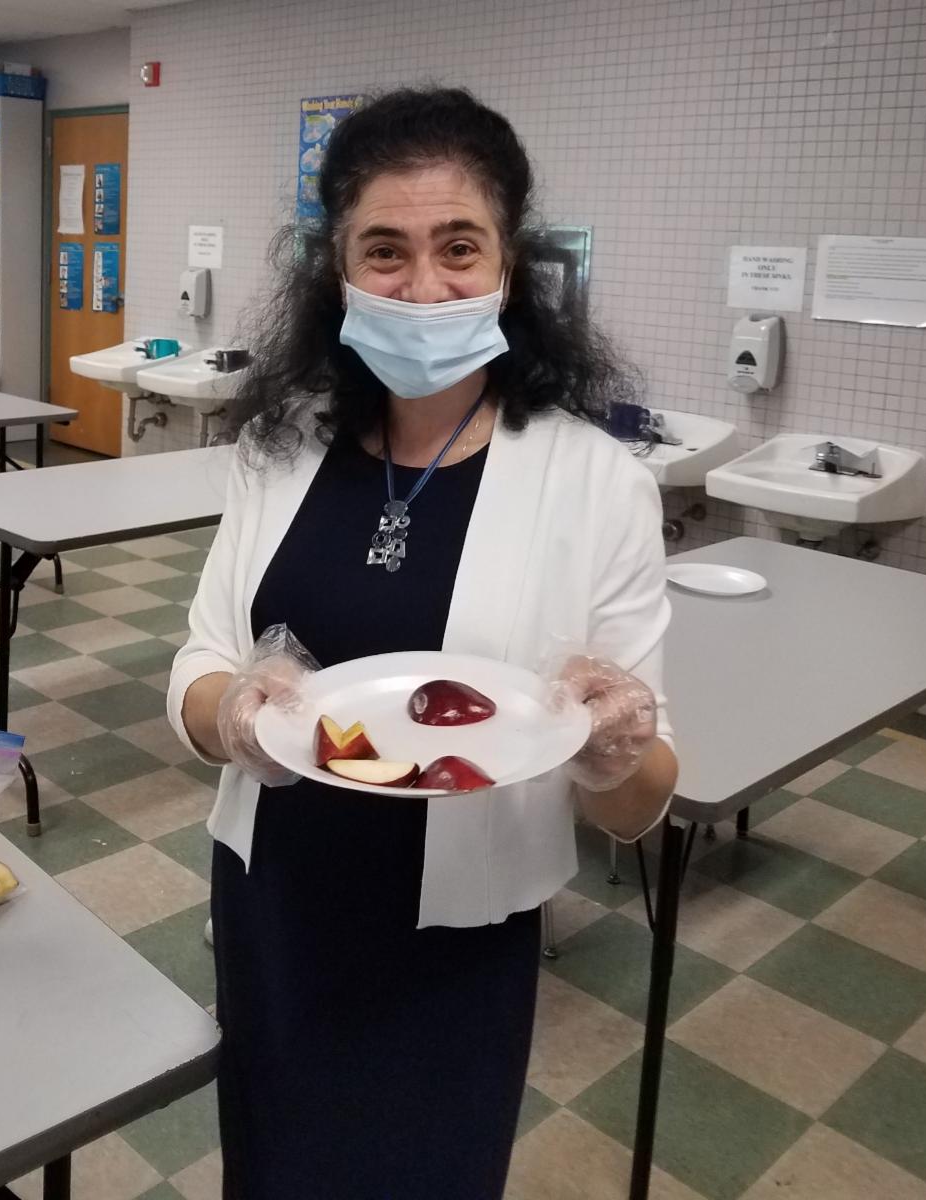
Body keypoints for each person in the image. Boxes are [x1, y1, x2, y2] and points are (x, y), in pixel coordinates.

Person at [168, 87, 677, 1199]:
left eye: (459, 247)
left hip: (460, 924)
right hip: (278, 898)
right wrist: (233, 713)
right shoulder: (278, 449)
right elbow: (199, 667)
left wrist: (614, 751)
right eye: (384, 251)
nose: (424, 285)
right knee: (275, 1165)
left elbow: (642, 802)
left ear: (510, 265)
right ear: (338, 269)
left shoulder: (597, 484)